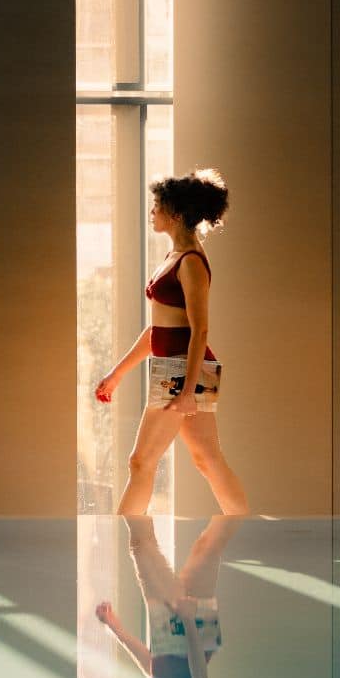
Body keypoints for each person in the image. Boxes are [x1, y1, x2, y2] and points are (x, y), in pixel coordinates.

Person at [91, 169, 250, 518]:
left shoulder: (191, 262)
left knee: (141, 461)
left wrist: (188, 389)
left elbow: (199, 330)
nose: (152, 212)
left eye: (157, 206)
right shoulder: (175, 257)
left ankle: (126, 536)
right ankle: (243, 526)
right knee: (207, 459)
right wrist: (118, 374)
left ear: (175, 214)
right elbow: (158, 330)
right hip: (177, 368)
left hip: (181, 370)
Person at [93, 514, 238, 678]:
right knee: (151, 545)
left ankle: (234, 509)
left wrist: (116, 629)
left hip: (173, 640)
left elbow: (156, 673)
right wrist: (188, 619)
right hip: (183, 635)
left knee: (197, 547)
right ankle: (235, 509)